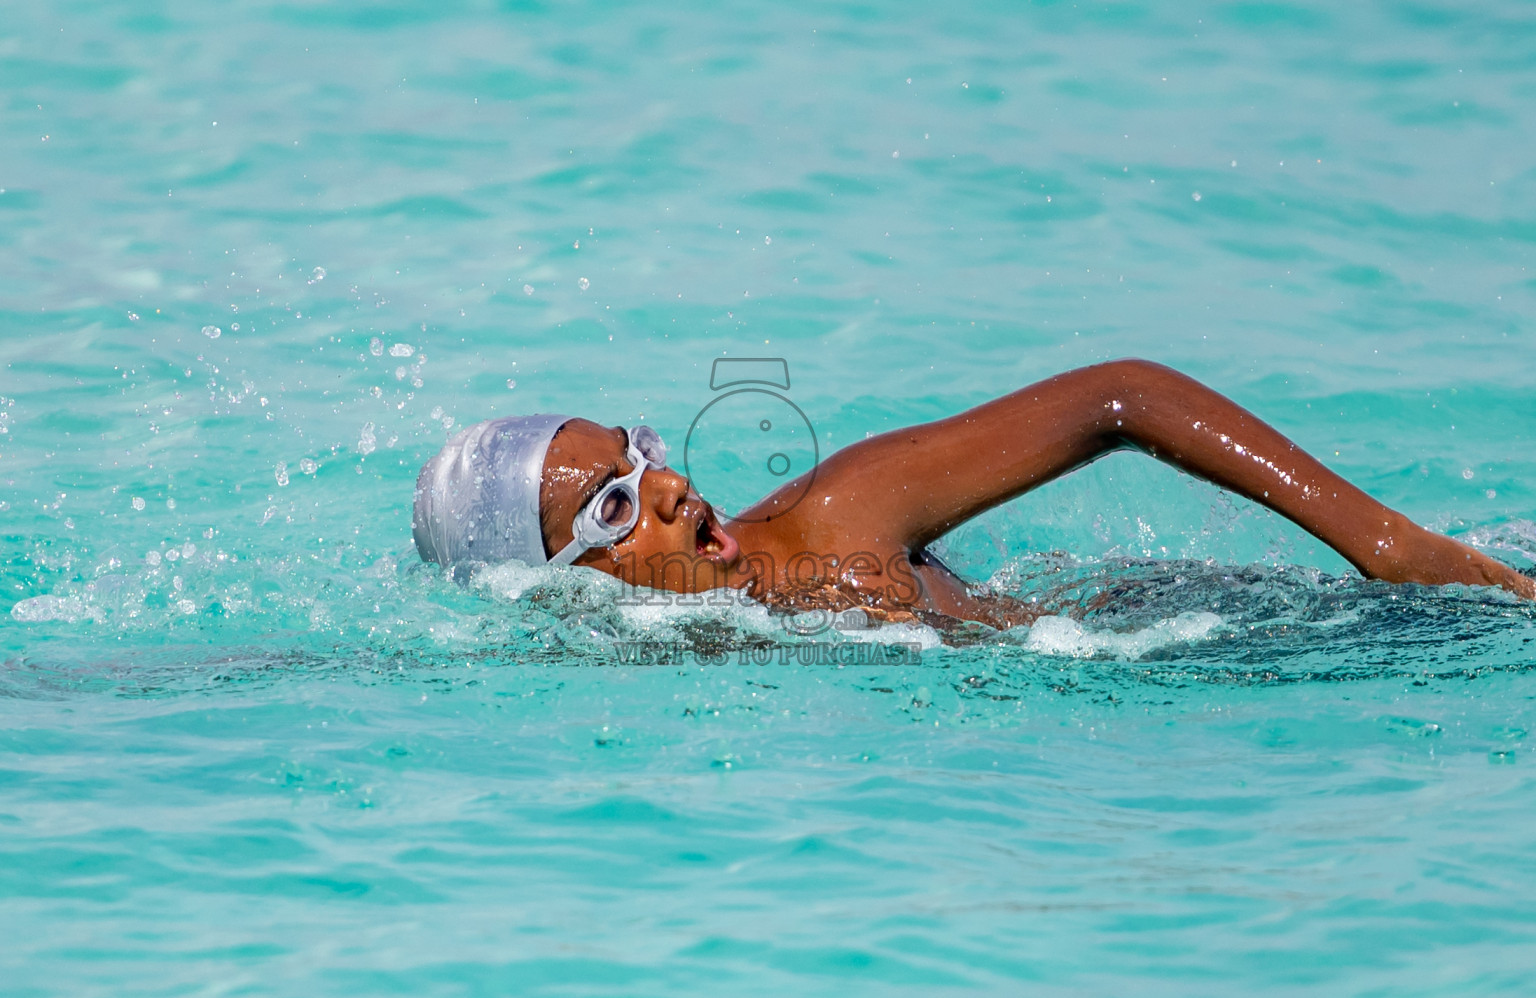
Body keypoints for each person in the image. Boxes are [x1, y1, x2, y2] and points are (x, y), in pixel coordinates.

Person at [412, 359, 1533, 628]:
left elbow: (1122, 397)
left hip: (1275, 630)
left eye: (644, 455)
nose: (671, 488)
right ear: (557, 591)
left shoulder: (832, 524)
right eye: (615, 505)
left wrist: (1390, 545)